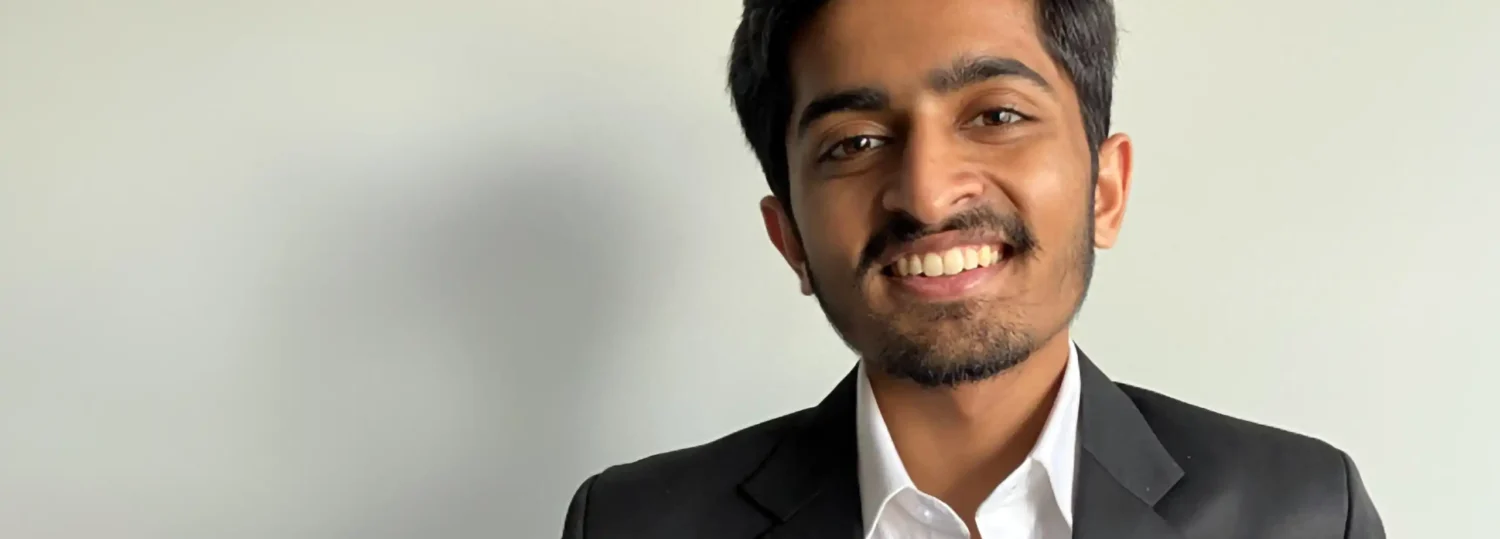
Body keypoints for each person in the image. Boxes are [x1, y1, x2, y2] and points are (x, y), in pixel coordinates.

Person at [561, 0, 1384, 537]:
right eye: (854, 143)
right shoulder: (634, 523)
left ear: (1106, 188)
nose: (925, 193)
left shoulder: (1303, 513)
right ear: (791, 240)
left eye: (996, 114)